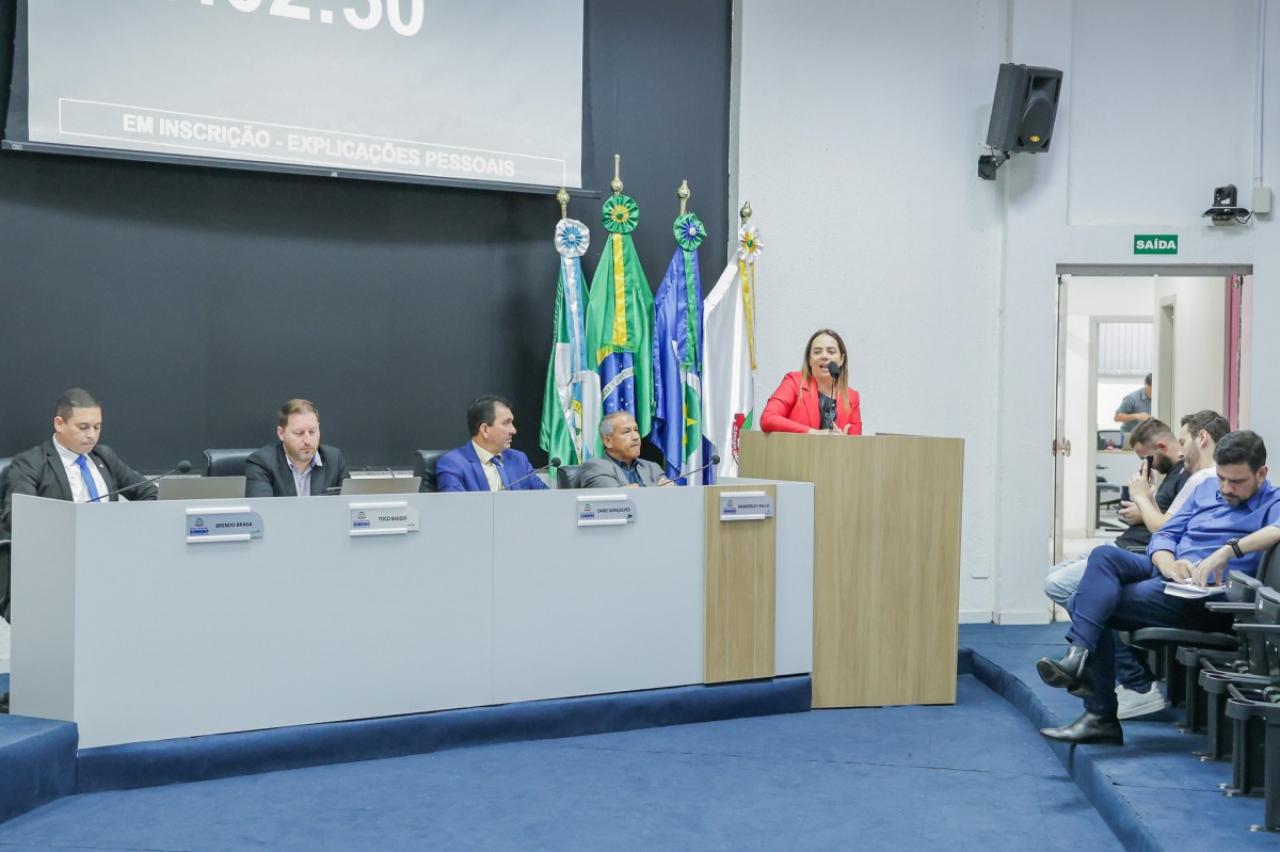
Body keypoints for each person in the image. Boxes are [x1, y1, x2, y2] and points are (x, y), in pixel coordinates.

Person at [1036, 430, 1280, 745]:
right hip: (1171, 573)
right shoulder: (1206, 488)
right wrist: (1167, 563)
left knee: (1084, 602)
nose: (1225, 489)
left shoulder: (1273, 500)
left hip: (1207, 599)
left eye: (1236, 482)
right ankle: (1079, 658)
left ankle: (1096, 707)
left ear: (1262, 473)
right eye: (1221, 478)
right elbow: (1165, 533)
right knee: (1104, 556)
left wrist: (1229, 550)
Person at [1043, 417, 1189, 719]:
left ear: (1162, 446)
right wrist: (1144, 504)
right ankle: (1093, 663)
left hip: (1136, 554)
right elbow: (1164, 520)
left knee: (1068, 591)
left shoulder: (1189, 477)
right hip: (1125, 546)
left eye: (1147, 458)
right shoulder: (1174, 475)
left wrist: (1143, 502)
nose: (1145, 465)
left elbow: (1165, 527)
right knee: (1060, 580)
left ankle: (1128, 677)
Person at [1, 388, 158, 621]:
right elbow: (18, 518)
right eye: (83, 427)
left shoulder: (104, 456)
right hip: (56, 567)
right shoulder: (30, 463)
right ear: (59, 424)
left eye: (97, 427)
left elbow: (149, 493)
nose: (92, 435)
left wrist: (127, 527)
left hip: (109, 562)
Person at [436, 395, 549, 492]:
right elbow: (455, 506)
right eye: (506, 423)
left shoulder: (519, 459)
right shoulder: (453, 463)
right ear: (485, 429)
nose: (513, 430)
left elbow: (546, 499)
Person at [760, 328, 862, 435]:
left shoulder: (852, 397)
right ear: (809, 360)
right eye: (817, 352)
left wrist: (845, 440)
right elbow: (768, 419)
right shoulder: (794, 382)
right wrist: (814, 433)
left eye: (831, 352)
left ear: (841, 359)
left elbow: (856, 438)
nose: (824, 356)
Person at [244, 399, 349, 497]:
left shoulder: (335, 460)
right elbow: (262, 508)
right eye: (299, 433)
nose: (307, 441)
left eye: (312, 432)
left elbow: (350, 504)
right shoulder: (262, 463)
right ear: (281, 433)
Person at [580, 411, 671, 487]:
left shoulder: (652, 467)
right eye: (626, 432)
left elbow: (671, 494)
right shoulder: (595, 467)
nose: (636, 437)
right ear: (608, 441)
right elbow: (616, 497)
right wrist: (657, 487)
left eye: (636, 430)